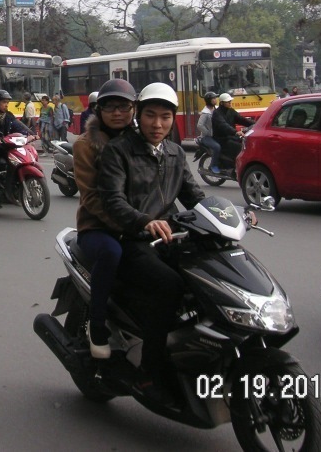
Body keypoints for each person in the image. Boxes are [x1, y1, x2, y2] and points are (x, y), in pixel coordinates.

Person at [97, 82, 205, 408]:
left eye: (165, 117)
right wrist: (143, 221)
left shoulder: (174, 152)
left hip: (170, 237)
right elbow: (113, 200)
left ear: (174, 119)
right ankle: (148, 371)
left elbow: (195, 196)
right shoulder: (119, 151)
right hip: (132, 239)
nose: (157, 125)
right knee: (169, 286)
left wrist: (234, 215)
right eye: (150, 116)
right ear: (138, 116)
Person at [72, 79, 137, 360]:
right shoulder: (86, 146)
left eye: (123, 106)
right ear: (99, 111)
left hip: (138, 222)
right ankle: (97, 324)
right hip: (97, 226)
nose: (118, 113)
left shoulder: (143, 140)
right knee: (112, 252)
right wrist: (126, 224)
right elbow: (91, 197)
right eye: (110, 107)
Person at [0, 89, 35, 206]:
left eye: (7, 102)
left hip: (5, 146)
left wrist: (29, 134)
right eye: (4, 102)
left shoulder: (8, 115)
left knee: (17, 158)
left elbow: (18, 126)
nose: (6, 105)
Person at [211, 92, 253, 170]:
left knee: (246, 143)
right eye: (228, 102)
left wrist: (257, 124)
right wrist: (235, 132)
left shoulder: (231, 111)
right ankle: (236, 166)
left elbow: (242, 120)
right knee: (239, 147)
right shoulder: (217, 113)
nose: (230, 103)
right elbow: (223, 125)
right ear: (222, 103)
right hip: (222, 138)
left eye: (230, 101)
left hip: (232, 136)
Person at [196, 91, 222, 173]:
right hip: (206, 137)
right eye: (213, 98)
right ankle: (212, 166)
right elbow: (199, 125)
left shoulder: (216, 109)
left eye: (215, 98)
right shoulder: (205, 113)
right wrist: (208, 132)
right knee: (217, 147)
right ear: (209, 100)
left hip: (216, 135)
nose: (215, 99)